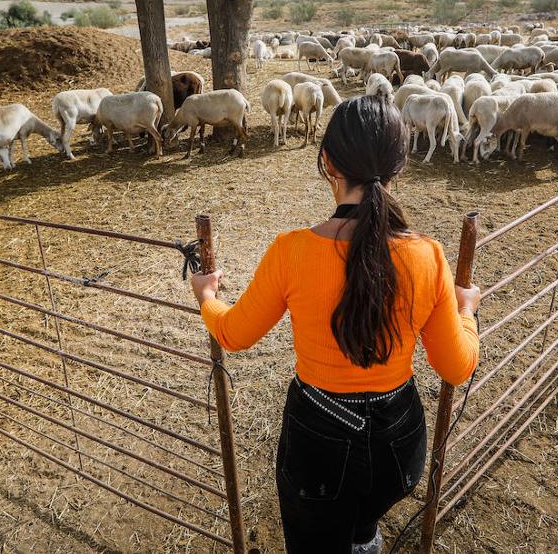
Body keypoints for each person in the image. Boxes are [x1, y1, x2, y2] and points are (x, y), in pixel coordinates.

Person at [190, 95, 482, 554]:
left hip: (320, 438)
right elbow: (457, 365)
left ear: (327, 161)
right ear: (398, 166)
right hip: (398, 441)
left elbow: (234, 334)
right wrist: (466, 310)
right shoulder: (428, 255)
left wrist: (207, 296)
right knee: (364, 522)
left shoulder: (292, 251)